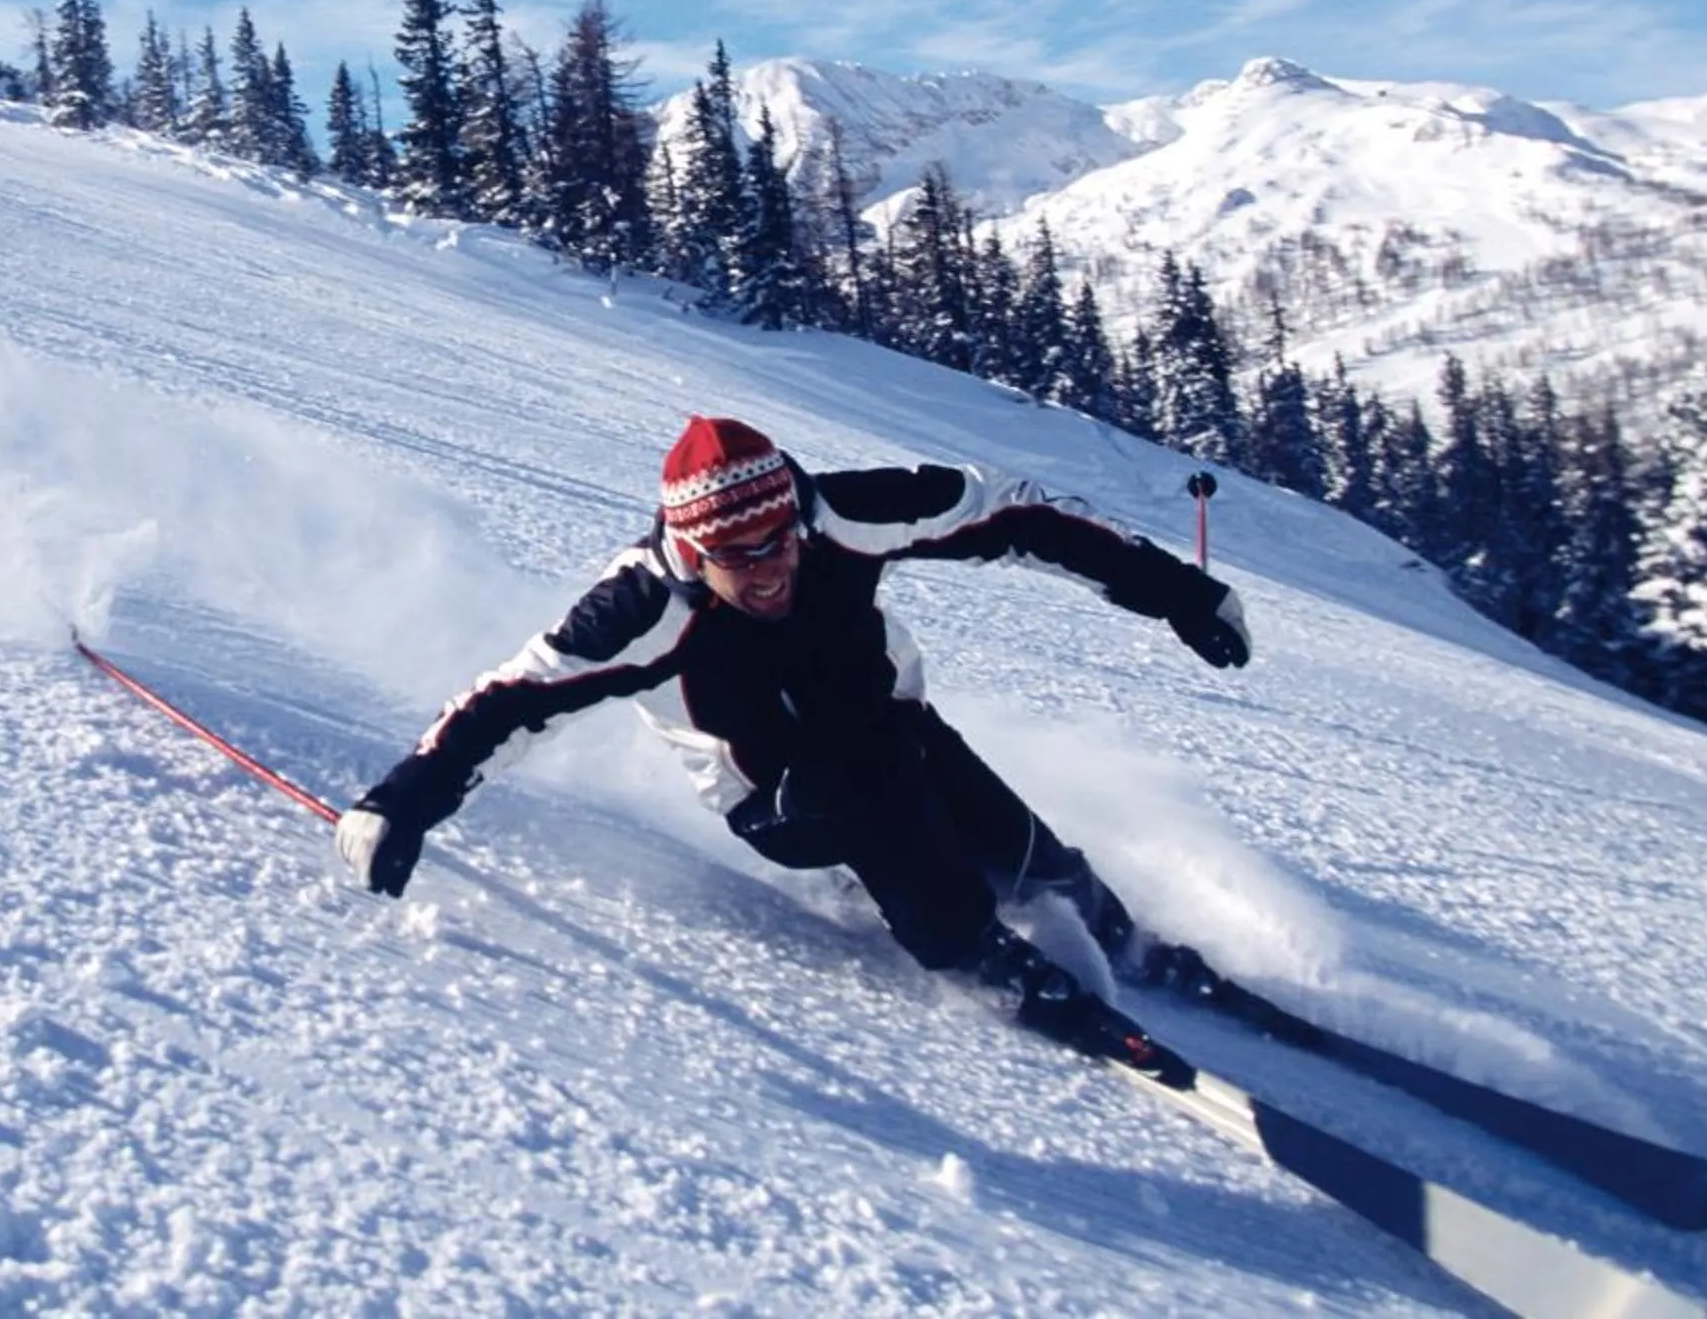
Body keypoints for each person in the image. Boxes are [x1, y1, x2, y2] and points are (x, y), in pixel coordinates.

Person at [334, 415, 1252, 1054]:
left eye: (780, 541)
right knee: (871, 800)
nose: (769, 569)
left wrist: (1182, 595)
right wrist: (399, 804)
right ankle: (979, 955)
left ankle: (1106, 925)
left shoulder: (838, 516)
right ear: (695, 551)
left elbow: (1013, 510)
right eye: (737, 556)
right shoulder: (644, 609)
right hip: (780, 799)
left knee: (995, 828)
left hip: (889, 726)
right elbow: (509, 700)